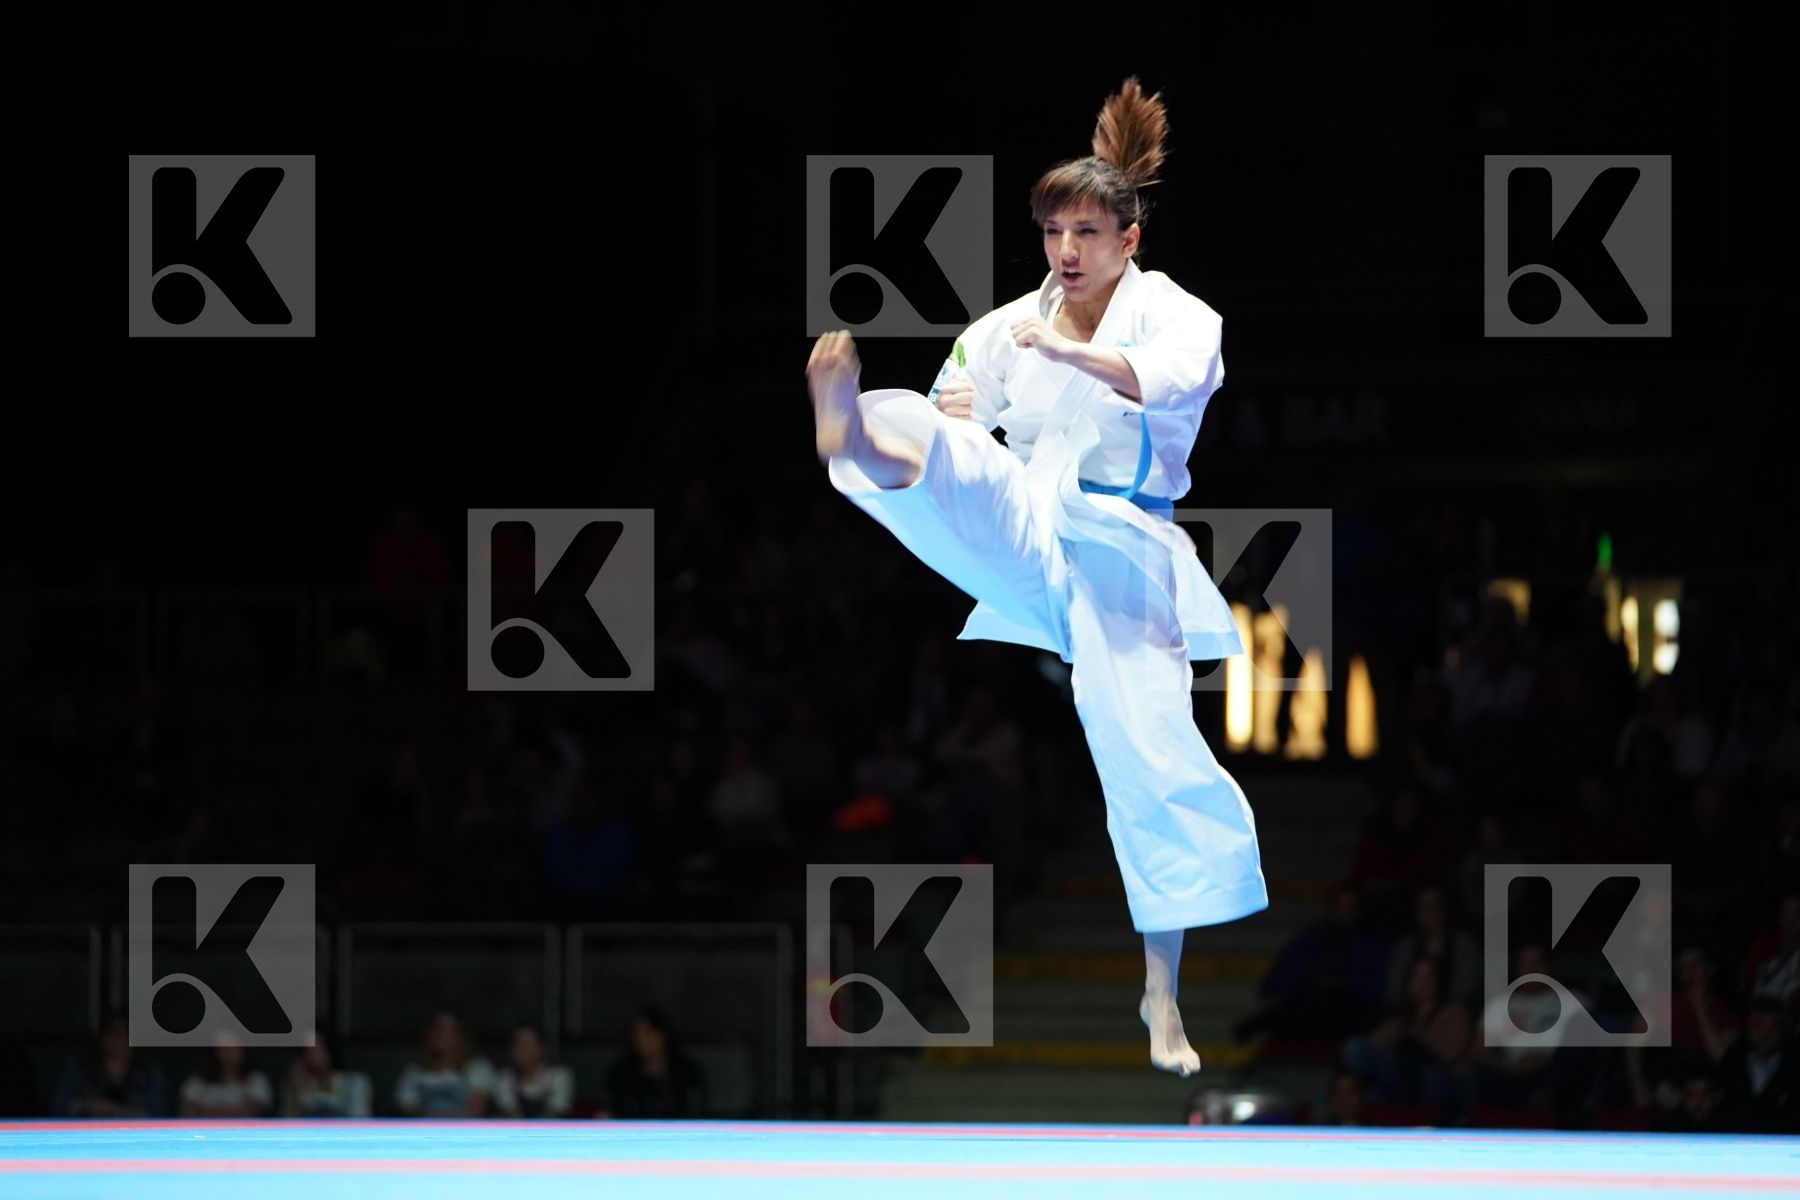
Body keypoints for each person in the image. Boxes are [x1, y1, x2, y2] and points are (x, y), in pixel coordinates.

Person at [805, 76, 1266, 1078]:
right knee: (929, 435)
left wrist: (1065, 348)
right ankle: (849, 438)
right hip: (1029, 519)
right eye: (1054, 230)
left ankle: (1161, 994)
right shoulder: (1014, 319)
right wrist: (963, 405)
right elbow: (965, 404)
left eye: (1087, 232)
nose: (1065, 251)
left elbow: (1163, 386)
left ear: (1128, 239)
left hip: (1126, 557)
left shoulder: (1181, 317)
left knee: (1148, 757)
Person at [604, 1006, 707, 1118]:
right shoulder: (620, 1075)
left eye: (648, 1031)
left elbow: (695, 1114)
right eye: (635, 1033)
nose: (640, 1038)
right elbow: (613, 1113)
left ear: (663, 1035)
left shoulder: (688, 1074)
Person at [394, 1009, 495, 1118]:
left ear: (462, 1035)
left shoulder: (478, 1068)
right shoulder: (414, 1071)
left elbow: (475, 1111)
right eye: (438, 1029)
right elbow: (408, 1110)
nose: (442, 1035)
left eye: (450, 1030)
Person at [280, 1027, 373, 1118]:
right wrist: (295, 1090)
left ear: (329, 1048)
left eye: (317, 1047)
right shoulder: (299, 1085)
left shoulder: (355, 1082)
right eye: (307, 1049)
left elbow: (360, 1121)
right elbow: (288, 1123)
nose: (312, 1054)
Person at [177, 1031, 272, 1117]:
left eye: (233, 1046)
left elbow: (250, 1114)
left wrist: (206, 1111)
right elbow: (186, 1114)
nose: (228, 1052)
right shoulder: (197, 1082)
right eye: (223, 1047)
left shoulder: (256, 1080)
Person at [493, 1023, 575, 1119]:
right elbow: (511, 1115)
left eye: (531, 1044)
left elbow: (554, 1114)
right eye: (520, 1044)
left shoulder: (560, 1076)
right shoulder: (505, 1078)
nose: (525, 1050)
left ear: (543, 1048)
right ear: (511, 1051)